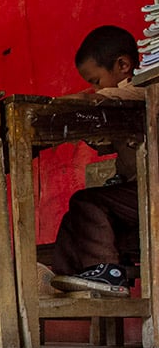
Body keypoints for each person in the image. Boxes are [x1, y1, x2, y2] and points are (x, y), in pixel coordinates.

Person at [49, 25, 146, 297]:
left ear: (123, 65)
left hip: (152, 194)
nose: (93, 88)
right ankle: (65, 278)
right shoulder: (117, 103)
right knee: (75, 216)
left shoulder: (142, 88)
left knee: (86, 201)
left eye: (95, 80)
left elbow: (88, 101)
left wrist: (49, 108)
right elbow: (103, 138)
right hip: (139, 194)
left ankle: (106, 272)